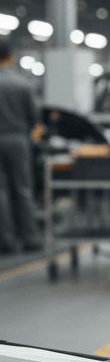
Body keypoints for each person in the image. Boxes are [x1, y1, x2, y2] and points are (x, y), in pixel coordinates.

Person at [0, 37, 42, 254]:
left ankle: (6, 241)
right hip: (17, 140)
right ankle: (30, 238)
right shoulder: (22, 83)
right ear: (10, 56)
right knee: (23, 189)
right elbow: (34, 119)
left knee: (1, 192)